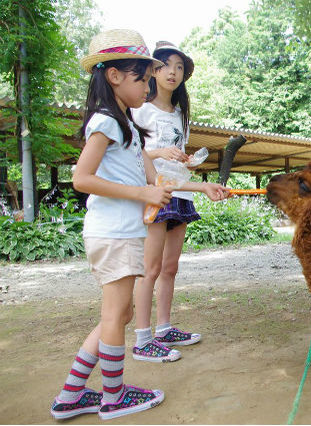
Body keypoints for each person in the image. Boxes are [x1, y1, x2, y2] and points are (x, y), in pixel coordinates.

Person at [49, 29, 228, 421]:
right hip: (112, 233)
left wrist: (203, 186)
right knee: (116, 316)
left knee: (118, 316)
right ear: (114, 76)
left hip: (122, 233)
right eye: (142, 78)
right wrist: (142, 196)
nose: (148, 85)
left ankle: (71, 394)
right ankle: (114, 396)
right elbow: (81, 178)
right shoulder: (107, 122)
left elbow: (158, 182)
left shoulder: (128, 126)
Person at [130, 41, 220, 362]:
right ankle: (142, 339)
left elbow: (175, 155)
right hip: (155, 192)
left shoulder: (181, 113)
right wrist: (159, 152)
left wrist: (189, 161)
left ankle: (164, 329)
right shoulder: (140, 108)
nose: (173, 72)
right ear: (153, 71)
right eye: (166, 65)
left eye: (179, 67)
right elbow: (136, 154)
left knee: (170, 267)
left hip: (180, 192)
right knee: (150, 269)